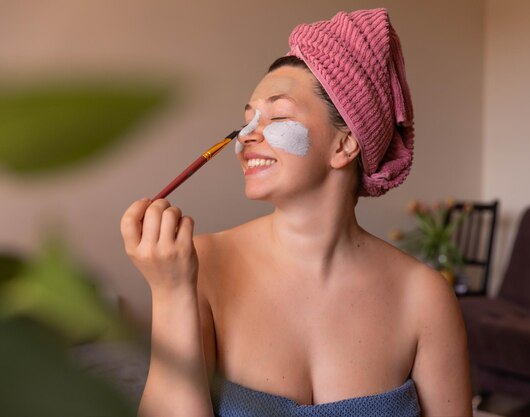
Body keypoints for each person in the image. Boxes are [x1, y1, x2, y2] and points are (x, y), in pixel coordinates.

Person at [121, 8, 472, 417]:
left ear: (344, 145)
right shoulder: (198, 266)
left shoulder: (424, 297)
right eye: (247, 119)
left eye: (278, 116)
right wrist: (171, 291)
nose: (246, 137)